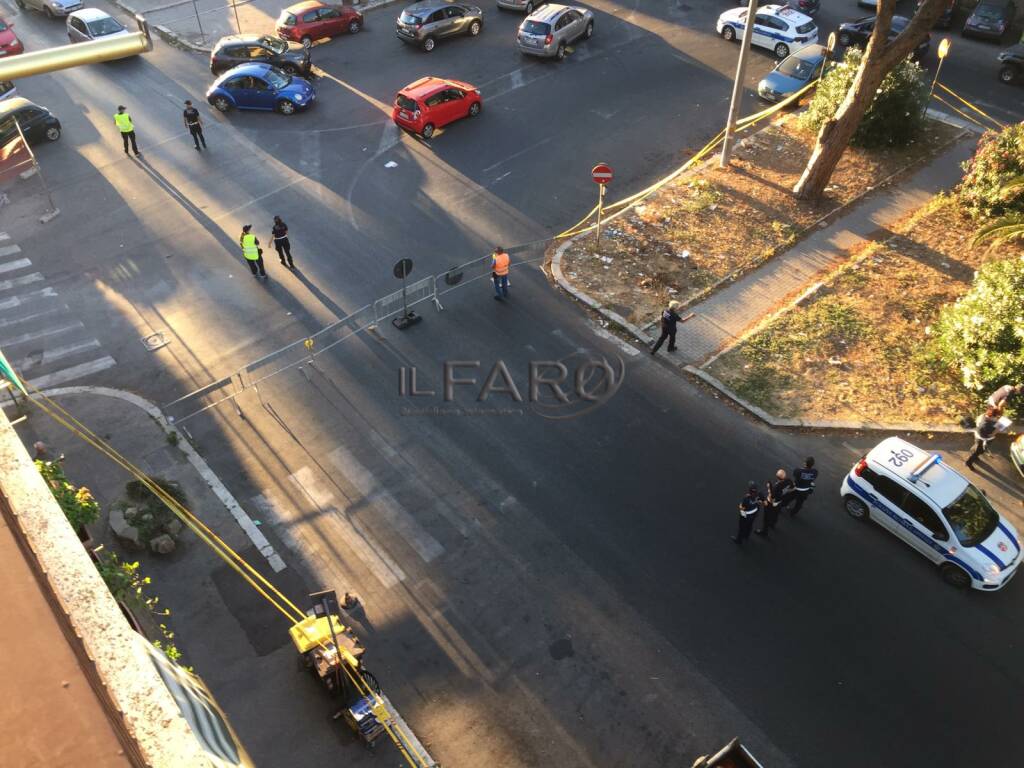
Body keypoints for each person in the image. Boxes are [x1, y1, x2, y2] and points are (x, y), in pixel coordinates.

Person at [757, 469, 793, 536]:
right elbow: (792, 488)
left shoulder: (777, 487)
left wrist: (768, 488)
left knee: (766, 518)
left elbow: (771, 497)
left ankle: (764, 532)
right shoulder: (789, 481)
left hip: (771, 504)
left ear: (777, 476)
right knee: (775, 515)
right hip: (780, 502)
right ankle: (772, 524)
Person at [966, 405, 1003, 470]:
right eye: (997, 416)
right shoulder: (990, 424)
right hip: (984, 439)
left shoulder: (982, 416)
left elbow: (978, 423)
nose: (998, 418)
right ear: (993, 416)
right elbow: (994, 432)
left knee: (977, 446)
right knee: (980, 450)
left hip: (978, 436)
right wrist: (994, 432)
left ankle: (973, 453)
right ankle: (968, 462)